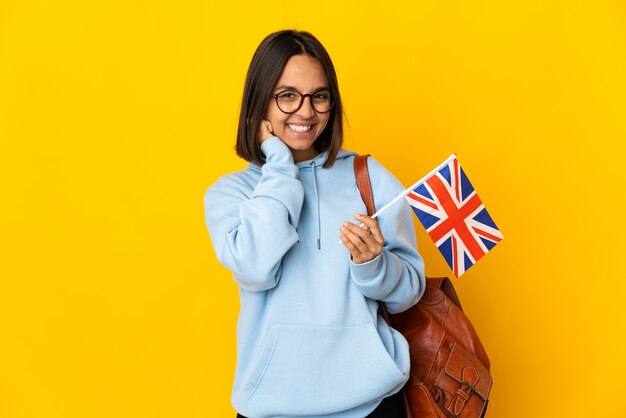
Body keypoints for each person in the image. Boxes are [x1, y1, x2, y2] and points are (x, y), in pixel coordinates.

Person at [203, 30, 425, 418]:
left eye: (319, 96)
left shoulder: (368, 178)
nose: (305, 112)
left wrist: (374, 265)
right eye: (288, 95)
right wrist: (278, 164)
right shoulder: (232, 193)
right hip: (271, 407)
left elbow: (408, 293)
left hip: (371, 403)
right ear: (260, 103)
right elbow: (255, 268)